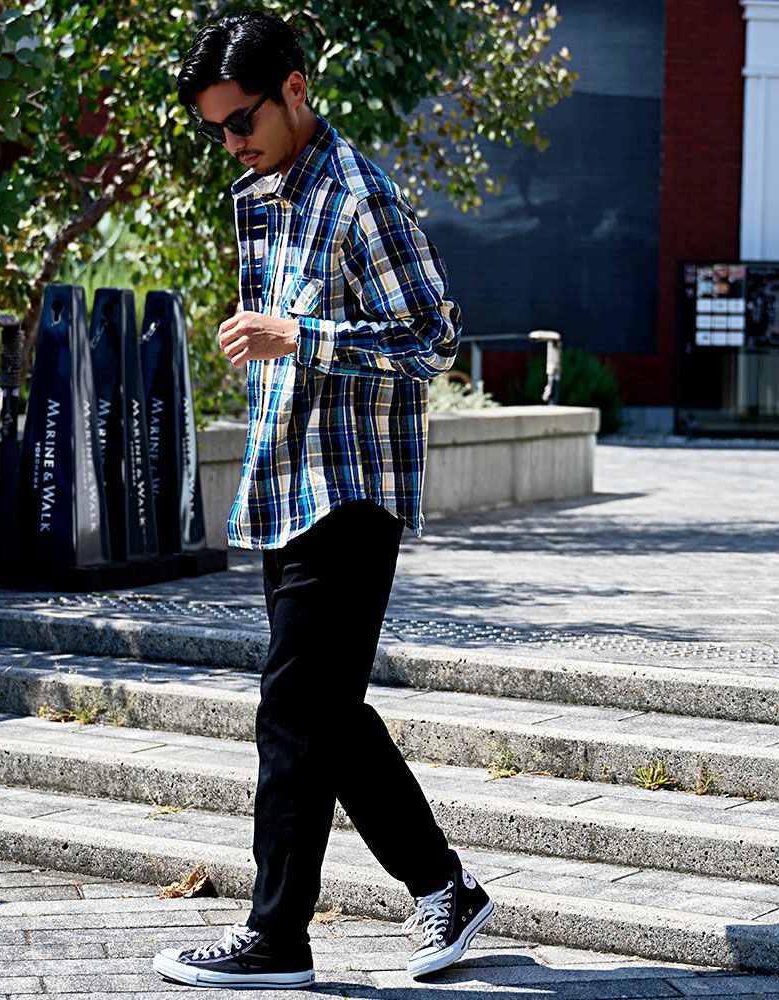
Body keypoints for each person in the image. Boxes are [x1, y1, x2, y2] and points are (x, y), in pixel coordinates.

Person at [152, 9, 494, 990]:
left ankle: (276, 939)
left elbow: (434, 339)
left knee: (293, 710)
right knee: (323, 711)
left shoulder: (356, 197)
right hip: (291, 480)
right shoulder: (273, 192)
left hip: (349, 487)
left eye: (243, 119)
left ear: (296, 90)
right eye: (216, 128)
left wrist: (298, 336)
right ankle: (443, 884)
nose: (232, 141)